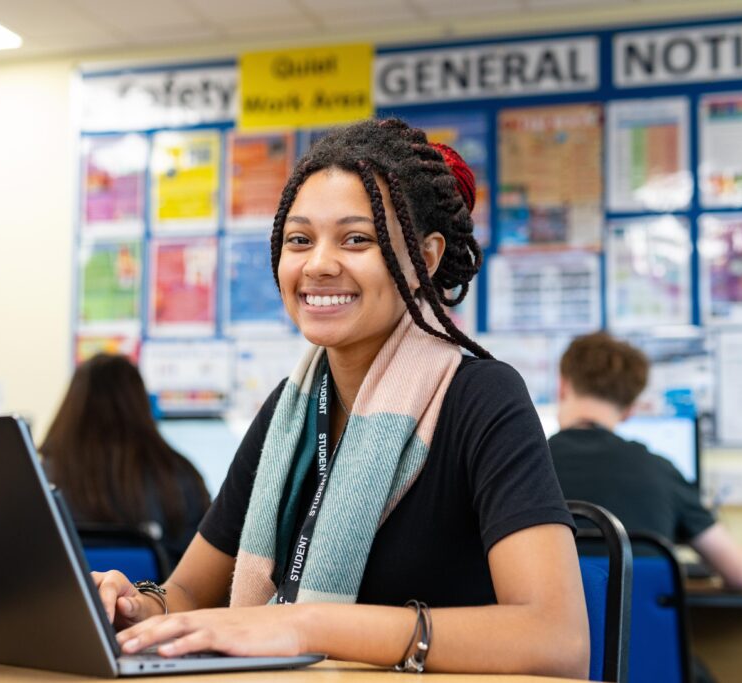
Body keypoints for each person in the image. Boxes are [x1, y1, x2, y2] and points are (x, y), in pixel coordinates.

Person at [92, 119, 589, 677]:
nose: (318, 264)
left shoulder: (481, 397)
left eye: (357, 238)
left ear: (425, 258)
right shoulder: (289, 412)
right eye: (299, 240)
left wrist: (309, 625)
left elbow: (556, 640)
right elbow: (188, 591)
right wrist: (135, 606)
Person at [550, 332, 742, 590]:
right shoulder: (661, 471)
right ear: (631, 408)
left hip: (544, 629)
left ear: (562, 386)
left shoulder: (518, 466)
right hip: (642, 630)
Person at [39, 353, 210, 566]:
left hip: (66, 598)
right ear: (141, 404)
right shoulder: (180, 478)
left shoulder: (41, 480)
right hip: (157, 597)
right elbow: (204, 568)